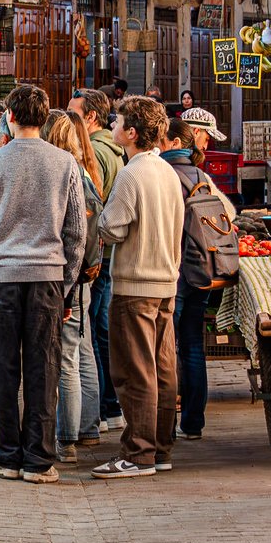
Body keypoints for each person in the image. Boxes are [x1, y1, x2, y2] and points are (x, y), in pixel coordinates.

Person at [0, 85, 87, 484]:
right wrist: (66, 283)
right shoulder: (66, 163)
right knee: (44, 368)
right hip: (48, 279)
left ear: (10, 117)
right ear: (46, 116)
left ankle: (8, 455)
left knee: (2, 370)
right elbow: (76, 232)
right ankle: (39, 460)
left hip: (0, 279)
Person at [92, 96, 184, 479]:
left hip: (135, 285)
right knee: (162, 368)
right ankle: (159, 447)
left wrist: (93, 215)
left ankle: (138, 452)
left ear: (131, 133)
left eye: (118, 121)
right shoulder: (166, 171)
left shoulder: (132, 174)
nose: (112, 124)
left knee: (135, 371)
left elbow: (112, 227)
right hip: (165, 282)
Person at [160, 116, 234, 441]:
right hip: (200, 269)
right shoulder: (200, 175)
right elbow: (228, 215)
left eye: (161, 139)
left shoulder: (163, 175)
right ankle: (192, 422)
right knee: (192, 345)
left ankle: (164, 427)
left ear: (175, 143)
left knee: (165, 347)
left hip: (173, 271)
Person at [44, 110, 105, 461]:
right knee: (80, 349)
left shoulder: (69, 172)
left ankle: (67, 437)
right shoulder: (82, 168)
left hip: (71, 277)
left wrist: (81, 270)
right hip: (79, 275)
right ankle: (86, 427)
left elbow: (84, 227)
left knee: (68, 355)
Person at [68, 87, 125, 428]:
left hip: (95, 256)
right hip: (103, 253)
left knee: (91, 334)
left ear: (89, 117)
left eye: (74, 112)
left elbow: (91, 212)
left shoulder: (98, 152)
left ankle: (103, 408)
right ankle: (107, 406)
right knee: (97, 329)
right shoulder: (110, 150)